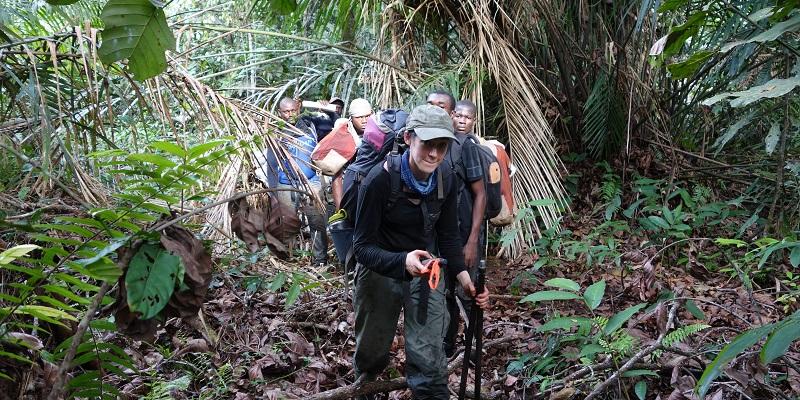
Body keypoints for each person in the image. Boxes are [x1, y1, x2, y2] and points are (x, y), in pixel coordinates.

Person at [352, 104, 489, 399]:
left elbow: (448, 235)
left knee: (429, 358)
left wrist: (465, 278)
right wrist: (402, 261)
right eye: (428, 144)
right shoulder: (378, 180)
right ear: (408, 138)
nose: (434, 154)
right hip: (379, 271)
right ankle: (365, 389)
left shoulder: (446, 179)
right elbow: (361, 248)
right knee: (371, 352)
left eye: (441, 147)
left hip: (427, 271)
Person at [442, 99, 488, 357]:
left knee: (469, 292)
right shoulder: (445, 144)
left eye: (466, 117)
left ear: (473, 121)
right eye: (457, 115)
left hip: (466, 233)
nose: (461, 120)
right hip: (448, 234)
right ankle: (448, 346)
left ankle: (474, 348)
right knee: (448, 291)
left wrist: (472, 240)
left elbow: (480, 194)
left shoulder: (468, 148)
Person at [273, 97, 329, 265]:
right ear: (279, 113)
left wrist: (326, 110)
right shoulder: (276, 131)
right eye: (286, 112)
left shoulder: (311, 125)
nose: (290, 114)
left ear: (298, 108)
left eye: (293, 110)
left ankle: (319, 260)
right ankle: (287, 261)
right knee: (285, 223)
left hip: (310, 181)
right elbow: (271, 160)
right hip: (285, 182)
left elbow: (331, 127)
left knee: (317, 221)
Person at [330, 98, 373, 209]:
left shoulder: (378, 132)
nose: (364, 120)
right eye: (359, 117)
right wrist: (339, 211)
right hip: (349, 186)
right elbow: (337, 175)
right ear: (351, 118)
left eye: (367, 116)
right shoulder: (343, 135)